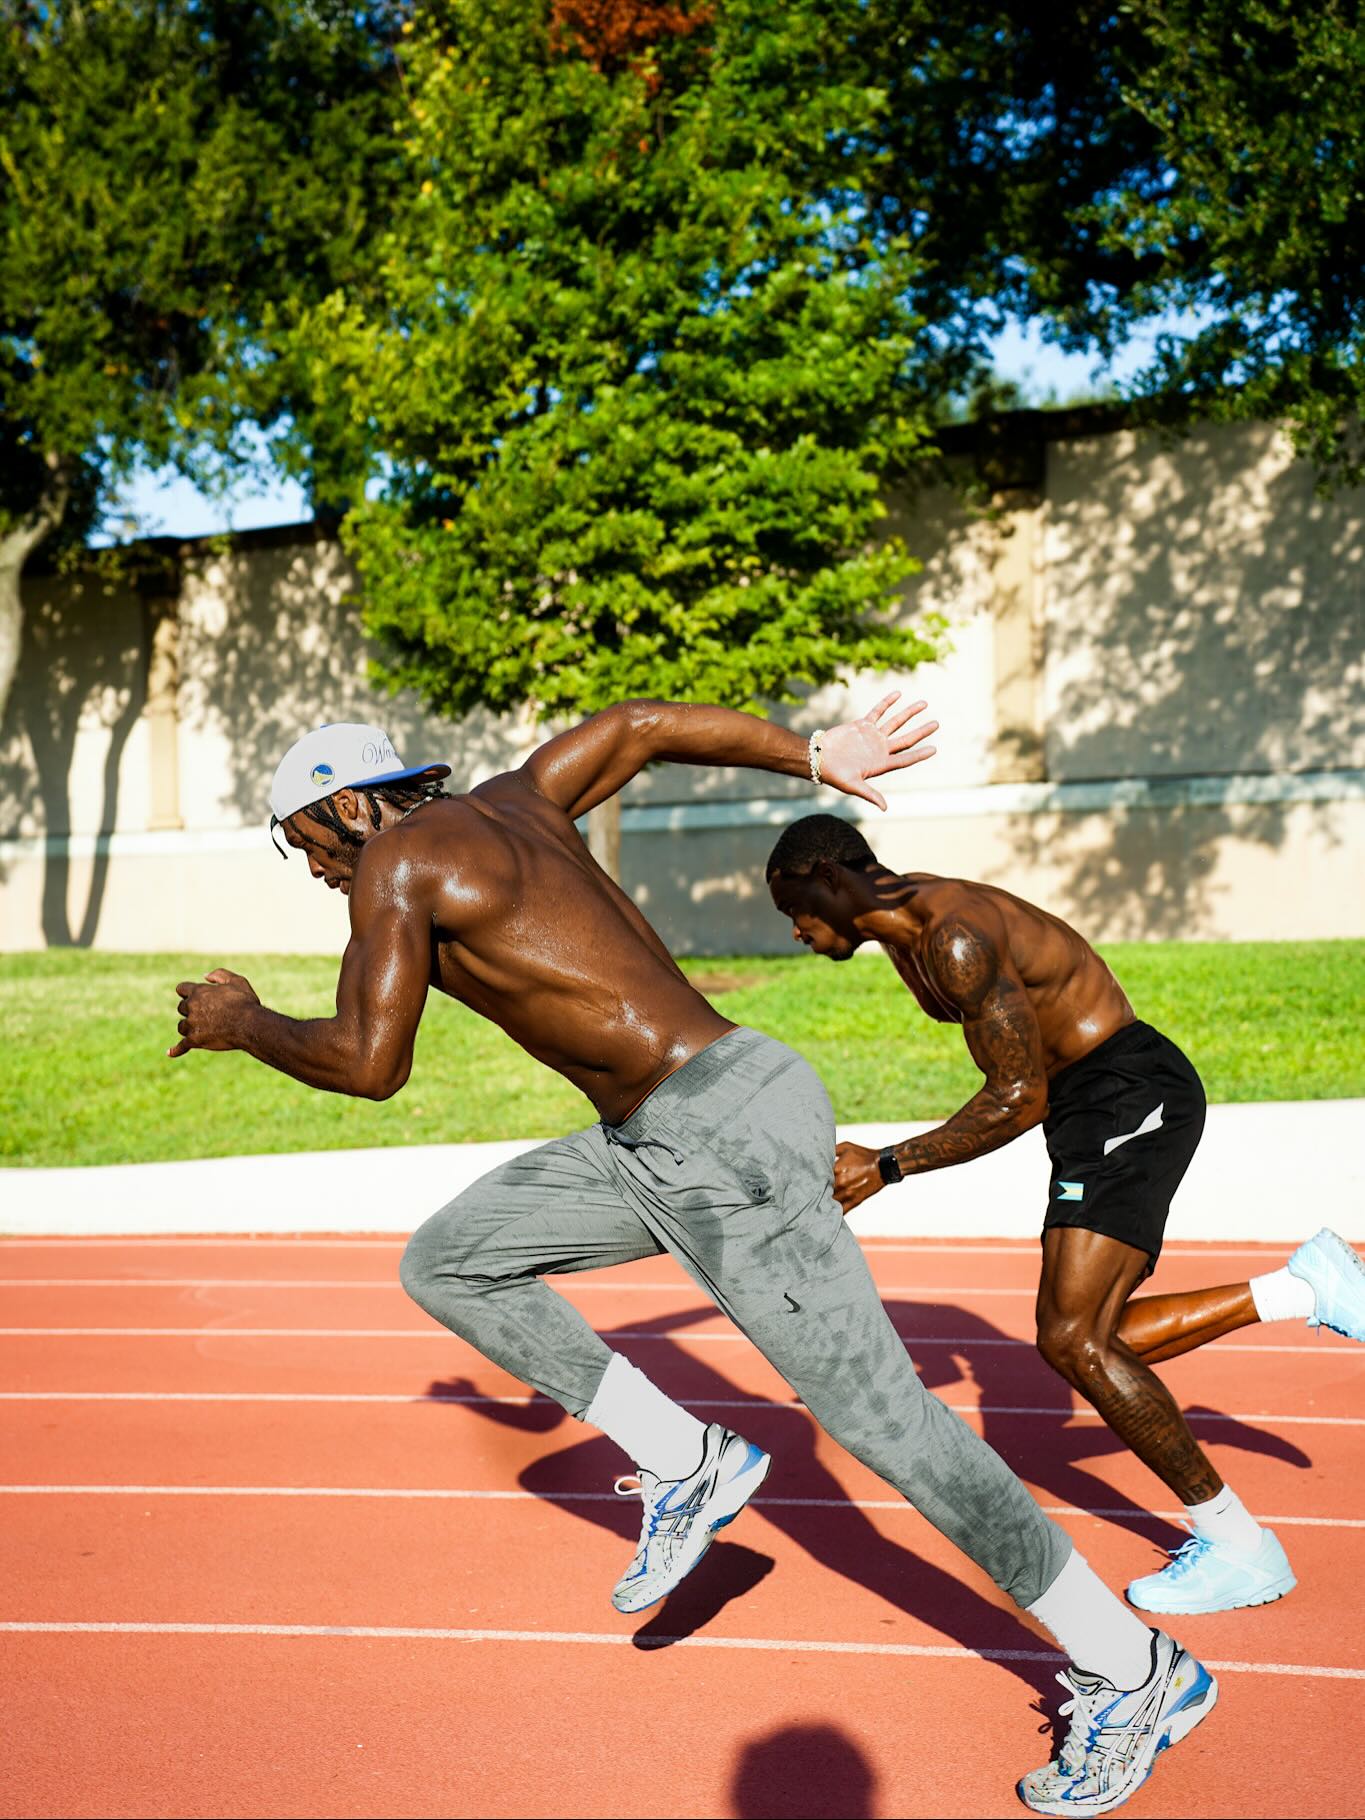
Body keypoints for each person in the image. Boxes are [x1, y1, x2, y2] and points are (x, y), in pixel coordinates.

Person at [171, 697, 1216, 1816]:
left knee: (895, 1431)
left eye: (308, 842)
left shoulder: (393, 865)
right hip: (674, 1126)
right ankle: (688, 1459)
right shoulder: (520, 798)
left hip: (711, 1139)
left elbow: (371, 1061)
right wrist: (813, 753)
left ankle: (1132, 1666)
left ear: (342, 807)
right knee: (452, 1258)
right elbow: (636, 726)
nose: (318, 869)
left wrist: (246, 1022)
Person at [765, 811, 1365, 1619]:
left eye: (794, 908)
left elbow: (1016, 1097)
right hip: (1094, 1102)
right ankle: (1300, 1290)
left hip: (1125, 1091)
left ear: (832, 880)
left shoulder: (953, 937)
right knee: (1089, 1338)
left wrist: (887, 1165)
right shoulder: (912, 932)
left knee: (1072, 1339)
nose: (795, 932)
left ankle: (1240, 1547)